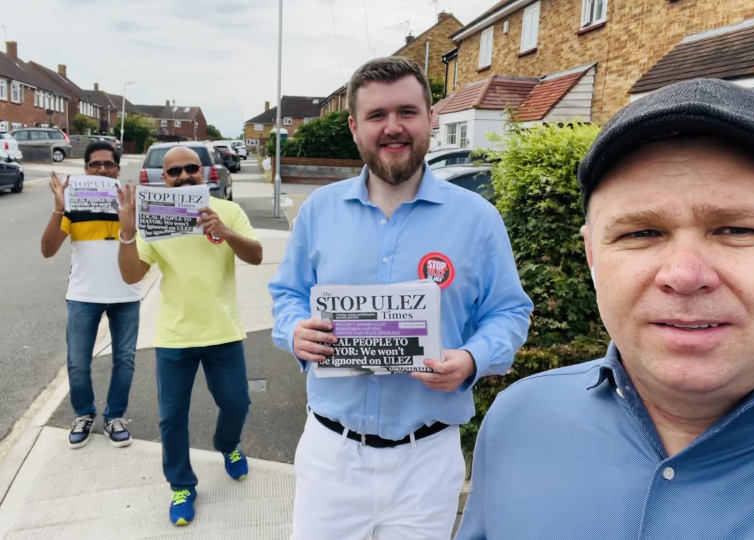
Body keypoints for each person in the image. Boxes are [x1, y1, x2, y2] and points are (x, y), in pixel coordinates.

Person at [455, 78, 754, 539]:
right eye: (640, 233)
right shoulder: (518, 421)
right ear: (592, 255)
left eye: (736, 229)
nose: (685, 274)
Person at [269, 56, 533, 540]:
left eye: (407, 112)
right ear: (354, 127)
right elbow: (287, 294)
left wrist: (473, 358)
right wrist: (293, 331)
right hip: (332, 456)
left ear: (432, 118)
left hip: (426, 462)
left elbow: (510, 312)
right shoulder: (319, 212)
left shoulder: (477, 219)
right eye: (376, 116)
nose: (393, 128)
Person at [115, 145, 263, 526]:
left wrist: (225, 231)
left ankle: (227, 444)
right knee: (172, 418)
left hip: (223, 331)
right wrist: (128, 234)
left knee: (237, 404)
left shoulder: (227, 210)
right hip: (175, 335)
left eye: (191, 169)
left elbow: (257, 255)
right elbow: (132, 276)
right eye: (174, 172)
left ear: (206, 171)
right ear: (163, 179)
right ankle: (182, 485)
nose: (183, 176)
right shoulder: (154, 218)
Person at [41, 140, 140, 450]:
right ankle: (84, 413)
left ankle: (115, 417)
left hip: (126, 294)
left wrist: (129, 226)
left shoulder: (132, 203)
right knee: (77, 362)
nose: (101, 169)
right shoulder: (74, 205)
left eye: (108, 164)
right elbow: (48, 250)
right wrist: (59, 207)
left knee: (125, 360)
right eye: (94, 164)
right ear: (85, 169)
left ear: (117, 169)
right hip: (83, 295)